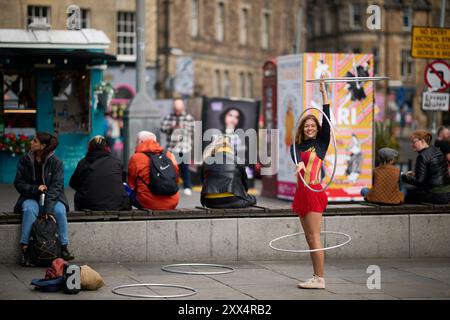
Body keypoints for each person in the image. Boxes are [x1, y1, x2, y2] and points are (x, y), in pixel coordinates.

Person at [290, 74, 330, 289]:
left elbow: (328, 121)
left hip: (313, 190)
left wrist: (323, 91)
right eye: (307, 126)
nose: (310, 128)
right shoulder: (296, 146)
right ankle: (316, 276)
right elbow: (296, 158)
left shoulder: (321, 144)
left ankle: (320, 279)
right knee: (308, 238)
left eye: (313, 125)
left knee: (314, 237)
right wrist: (299, 164)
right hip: (300, 193)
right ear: (302, 129)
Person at [14, 132, 74, 266]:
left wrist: (48, 209)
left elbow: (57, 187)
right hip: (31, 197)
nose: (31, 143)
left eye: (34, 141)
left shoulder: (56, 162)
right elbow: (19, 183)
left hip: (53, 199)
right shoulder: (25, 160)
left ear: (43, 146)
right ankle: (24, 249)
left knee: (60, 211)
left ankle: (64, 247)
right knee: (29, 209)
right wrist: (35, 189)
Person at [69, 136, 131, 211]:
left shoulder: (83, 163)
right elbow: (122, 180)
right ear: (107, 148)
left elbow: (73, 184)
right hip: (117, 205)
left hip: (88, 205)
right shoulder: (117, 162)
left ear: (89, 148)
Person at [128, 131, 180, 210]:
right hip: (172, 202)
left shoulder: (136, 158)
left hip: (147, 203)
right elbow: (176, 177)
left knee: (124, 187)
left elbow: (131, 184)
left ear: (141, 142)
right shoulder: (169, 155)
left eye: (136, 142)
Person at [201, 135, 256, 209]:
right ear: (230, 147)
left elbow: (203, 181)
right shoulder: (237, 159)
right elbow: (245, 183)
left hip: (209, 201)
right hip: (232, 199)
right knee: (253, 199)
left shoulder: (207, 160)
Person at [402, 130, 450, 204]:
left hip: (436, 195)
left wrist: (403, 176)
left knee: (405, 191)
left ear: (423, 141)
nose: (412, 145)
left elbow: (419, 181)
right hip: (447, 194)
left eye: (414, 142)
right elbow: (434, 173)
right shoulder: (436, 150)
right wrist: (415, 174)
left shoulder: (422, 156)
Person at [160, 98, 195, 196]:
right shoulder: (168, 117)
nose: (178, 112)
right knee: (172, 169)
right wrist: (172, 128)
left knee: (185, 168)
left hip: (185, 147)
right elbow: (162, 128)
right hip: (172, 147)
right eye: (176, 110)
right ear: (173, 109)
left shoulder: (189, 118)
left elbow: (193, 130)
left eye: (179, 110)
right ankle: (173, 187)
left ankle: (187, 186)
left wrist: (183, 129)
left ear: (183, 108)